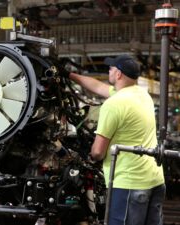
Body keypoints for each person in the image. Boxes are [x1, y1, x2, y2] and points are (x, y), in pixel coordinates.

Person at [63, 55, 165, 225]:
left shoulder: (113, 104)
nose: (108, 70)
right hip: (154, 180)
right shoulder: (142, 94)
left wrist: (87, 155)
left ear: (118, 74)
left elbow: (97, 152)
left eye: (111, 68)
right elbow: (97, 86)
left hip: (128, 184)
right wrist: (69, 75)